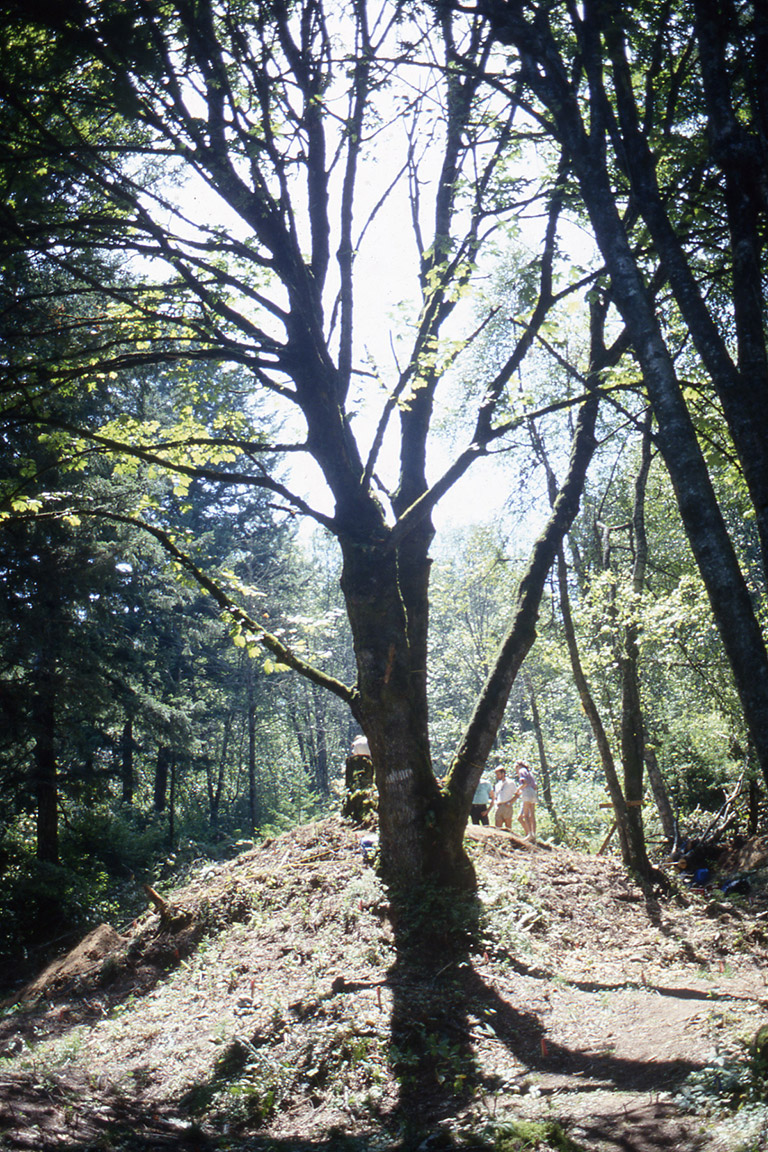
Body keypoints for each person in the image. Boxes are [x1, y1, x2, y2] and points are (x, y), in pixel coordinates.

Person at [511, 760, 537, 842]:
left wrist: (518, 789)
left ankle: (529, 834)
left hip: (527, 791)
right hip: (533, 792)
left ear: (518, 766)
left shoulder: (521, 771)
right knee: (532, 814)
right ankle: (533, 834)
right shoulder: (530, 773)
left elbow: (524, 783)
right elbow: (535, 786)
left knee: (526, 815)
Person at [492, 765, 517, 830]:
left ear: (503, 773)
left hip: (507, 806)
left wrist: (510, 803)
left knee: (508, 827)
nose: (497, 776)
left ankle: (510, 839)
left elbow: (517, 794)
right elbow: (495, 797)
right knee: (498, 828)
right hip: (499, 806)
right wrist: (495, 806)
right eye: (496, 774)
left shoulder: (510, 783)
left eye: (498, 774)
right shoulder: (497, 785)